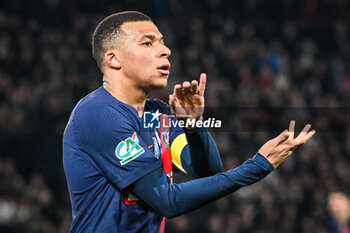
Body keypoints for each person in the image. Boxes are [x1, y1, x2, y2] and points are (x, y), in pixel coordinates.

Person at [63, 11, 316, 233]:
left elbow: (206, 169)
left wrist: (194, 125)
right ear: (113, 59)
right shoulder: (97, 115)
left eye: (162, 42)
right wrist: (256, 167)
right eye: (148, 43)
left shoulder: (157, 115)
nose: (165, 50)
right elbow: (167, 201)